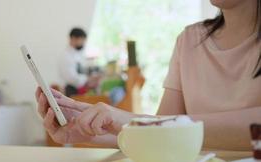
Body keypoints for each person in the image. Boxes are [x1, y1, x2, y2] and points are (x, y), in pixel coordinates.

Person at [37, 0, 261, 151]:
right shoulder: (189, 40)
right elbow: (160, 134)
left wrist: (126, 120)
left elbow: (160, 126)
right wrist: (88, 131)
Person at [58, 27, 100, 97]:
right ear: (73, 39)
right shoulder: (66, 56)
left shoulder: (77, 54)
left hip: (79, 90)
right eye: (82, 40)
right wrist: (88, 79)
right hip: (70, 92)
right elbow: (72, 78)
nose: (83, 43)